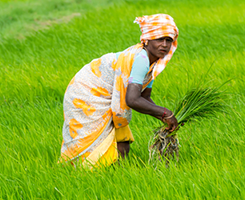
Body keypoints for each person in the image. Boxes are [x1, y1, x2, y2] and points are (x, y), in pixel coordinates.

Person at [60, 14, 180, 167]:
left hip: (100, 91)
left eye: (168, 40)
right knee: (92, 140)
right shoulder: (141, 60)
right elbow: (132, 100)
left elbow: (144, 97)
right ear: (147, 39)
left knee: (122, 147)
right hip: (87, 92)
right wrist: (165, 113)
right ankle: (84, 172)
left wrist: (163, 117)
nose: (164, 44)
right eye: (159, 39)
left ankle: (118, 172)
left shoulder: (152, 63)